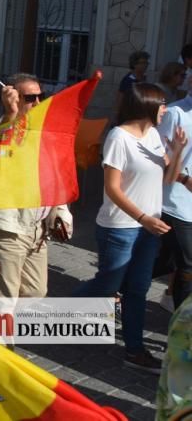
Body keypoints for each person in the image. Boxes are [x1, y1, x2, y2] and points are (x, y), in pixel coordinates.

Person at [75, 83, 188, 373]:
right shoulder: (118, 137)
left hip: (148, 229)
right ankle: (53, 311)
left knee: (138, 289)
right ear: (146, 105)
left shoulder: (153, 135)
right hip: (120, 227)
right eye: (161, 104)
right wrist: (142, 218)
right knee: (108, 285)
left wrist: (176, 152)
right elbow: (112, 189)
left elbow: (168, 178)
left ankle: (135, 351)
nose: (166, 108)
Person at [0, 73, 70, 299]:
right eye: (30, 98)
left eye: (41, 96)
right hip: (7, 227)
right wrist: (10, 116)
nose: (37, 102)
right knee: (6, 297)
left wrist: (60, 212)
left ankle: (16, 331)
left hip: (38, 228)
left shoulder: (44, 134)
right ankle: (1, 334)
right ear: (13, 98)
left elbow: (55, 177)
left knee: (36, 292)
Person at [160, 83, 192, 309]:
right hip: (175, 201)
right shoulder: (175, 113)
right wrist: (184, 179)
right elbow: (157, 156)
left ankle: (115, 286)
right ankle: (183, 325)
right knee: (188, 265)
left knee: (165, 261)